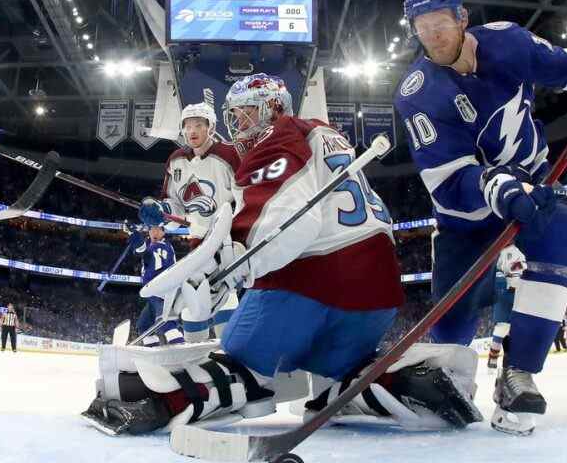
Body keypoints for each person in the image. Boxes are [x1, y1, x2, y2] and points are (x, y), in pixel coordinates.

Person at [83, 74, 484, 437]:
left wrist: (224, 268)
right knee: (337, 379)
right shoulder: (325, 134)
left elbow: (285, 224)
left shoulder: (279, 138)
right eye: (234, 118)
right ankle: (406, 383)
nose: (238, 127)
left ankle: (149, 399)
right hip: (377, 297)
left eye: (244, 115)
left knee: (243, 364)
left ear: (273, 109)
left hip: (311, 285)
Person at [393, 0, 567, 435]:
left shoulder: (508, 42)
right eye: (420, 27)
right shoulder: (417, 93)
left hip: (531, 187)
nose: (431, 35)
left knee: (562, 228)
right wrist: (497, 188)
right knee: (452, 325)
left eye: (439, 22)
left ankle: (518, 372)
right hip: (467, 217)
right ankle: (451, 378)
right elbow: (447, 181)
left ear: (462, 17)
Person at [138, 102, 239, 340]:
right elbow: (176, 206)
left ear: (210, 128)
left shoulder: (229, 156)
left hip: (230, 241)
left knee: (217, 293)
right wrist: (161, 212)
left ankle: (228, 348)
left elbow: (245, 197)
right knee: (199, 297)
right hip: (199, 245)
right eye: (187, 126)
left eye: (198, 125)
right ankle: (198, 352)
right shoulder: (176, 161)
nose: (192, 131)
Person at [127, 224, 181, 347]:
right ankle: (153, 351)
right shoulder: (153, 245)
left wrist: (133, 233)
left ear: (164, 233)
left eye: (158, 230)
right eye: (152, 229)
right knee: (144, 326)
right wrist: (134, 234)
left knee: (166, 322)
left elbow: (142, 251)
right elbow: (141, 250)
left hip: (161, 292)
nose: (155, 232)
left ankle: (180, 347)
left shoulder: (161, 247)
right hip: (153, 294)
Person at [487, 246, 526, 370]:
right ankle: (497, 359)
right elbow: (500, 273)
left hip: (512, 292)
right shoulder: (506, 251)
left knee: (509, 328)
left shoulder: (517, 250)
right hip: (507, 293)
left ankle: (505, 360)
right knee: (504, 327)